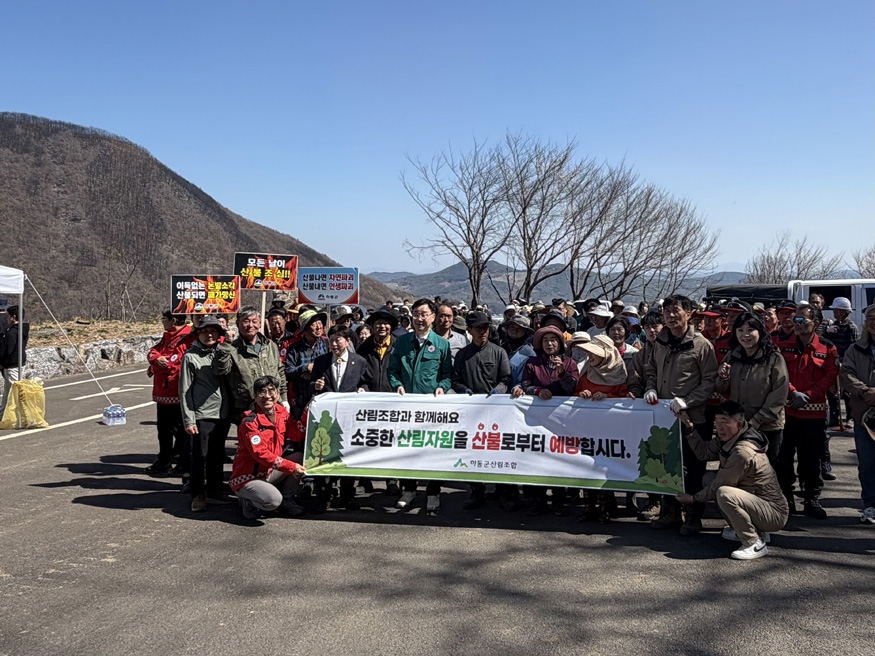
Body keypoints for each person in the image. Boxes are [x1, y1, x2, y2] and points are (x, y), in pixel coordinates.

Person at [644, 294, 718, 535]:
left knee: (694, 468)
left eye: (676, 311)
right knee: (666, 466)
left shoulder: (701, 344)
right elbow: (651, 368)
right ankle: (670, 512)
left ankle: (693, 515)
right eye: (667, 311)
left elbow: (710, 380)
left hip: (692, 418)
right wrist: (651, 387)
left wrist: (688, 401)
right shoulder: (660, 342)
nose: (671, 316)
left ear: (690, 313)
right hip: (663, 418)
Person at [676, 401, 789, 560]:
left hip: (773, 513)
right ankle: (752, 529)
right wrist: (688, 424)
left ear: (739, 423)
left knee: (724, 492)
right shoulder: (731, 437)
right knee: (709, 478)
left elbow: (721, 485)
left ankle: (753, 542)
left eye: (724, 423)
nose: (719, 428)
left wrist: (693, 499)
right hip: (759, 504)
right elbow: (704, 453)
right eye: (717, 423)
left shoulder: (742, 451)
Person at [387, 299, 453, 511]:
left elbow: (447, 374)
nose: (420, 319)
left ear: (433, 318)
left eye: (424, 314)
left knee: (432, 450)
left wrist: (442, 386)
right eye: (416, 314)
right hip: (406, 408)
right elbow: (393, 370)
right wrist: (397, 385)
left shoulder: (442, 344)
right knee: (406, 449)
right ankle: (409, 489)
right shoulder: (402, 342)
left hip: (431, 408)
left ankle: (433, 492)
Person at [776, 304, 839, 519]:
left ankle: (812, 498)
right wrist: (792, 392)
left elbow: (830, 376)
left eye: (802, 321)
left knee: (812, 458)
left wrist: (810, 394)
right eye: (795, 320)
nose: (797, 324)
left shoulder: (827, 347)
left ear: (816, 324)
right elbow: (778, 372)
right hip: (787, 412)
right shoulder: (782, 344)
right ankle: (786, 498)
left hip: (814, 414)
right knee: (783, 457)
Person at [512, 325, 580, 516]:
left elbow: (571, 389)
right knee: (534, 458)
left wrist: (561, 373)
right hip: (535, 418)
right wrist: (538, 391)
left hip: (561, 421)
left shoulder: (569, 363)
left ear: (560, 343)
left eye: (553, 340)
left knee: (558, 459)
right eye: (545, 340)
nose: (549, 344)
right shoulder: (533, 363)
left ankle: (559, 500)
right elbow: (525, 385)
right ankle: (536, 500)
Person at [451, 311, 514, 511]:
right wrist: (464, 390)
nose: (482, 332)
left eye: (485, 327)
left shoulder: (499, 352)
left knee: (500, 452)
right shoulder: (462, 355)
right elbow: (456, 380)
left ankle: (503, 492)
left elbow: (506, 378)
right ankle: (476, 492)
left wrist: (499, 391)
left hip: (497, 412)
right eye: (478, 328)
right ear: (469, 331)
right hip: (471, 412)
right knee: (472, 452)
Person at [715, 312, 789, 467]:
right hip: (737, 425)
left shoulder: (773, 357)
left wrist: (758, 419)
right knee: (737, 469)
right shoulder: (732, 355)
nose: (745, 335)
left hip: (767, 426)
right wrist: (724, 377)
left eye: (750, 330)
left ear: (760, 332)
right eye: (740, 330)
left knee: (766, 470)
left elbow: (780, 392)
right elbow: (721, 389)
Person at [230, 376, 306, 519]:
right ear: (255, 396)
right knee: (273, 501)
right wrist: (290, 467)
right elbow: (261, 454)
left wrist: (307, 414)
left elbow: (296, 434)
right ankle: (248, 501)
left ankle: (287, 498)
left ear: (278, 394)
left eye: (271, 391)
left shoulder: (281, 412)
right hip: (248, 477)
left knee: (300, 458)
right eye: (262, 392)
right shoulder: (249, 422)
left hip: (269, 471)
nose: (267, 396)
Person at [310, 325, 369, 510]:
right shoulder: (321, 361)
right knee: (323, 454)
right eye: (332, 340)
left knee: (348, 456)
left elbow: (366, 382)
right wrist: (316, 385)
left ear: (348, 341)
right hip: (326, 416)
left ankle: (347, 496)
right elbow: (311, 383)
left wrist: (363, 390)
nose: (334, 344)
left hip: (349, 417)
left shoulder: (358, 361)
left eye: (339, 339)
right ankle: (322, 497)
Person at [574, 334, 630, 523]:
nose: (590, 357)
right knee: (586, 466)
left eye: (594, 353)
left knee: (606, 468)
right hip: (587, 427)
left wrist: (607, 399)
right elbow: (575, 394)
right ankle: (588, 506)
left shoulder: (619, 373)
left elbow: (626, 400)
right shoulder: (587, 371)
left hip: (611, 429)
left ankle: (605, 508)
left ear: (606, 354)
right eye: (588, 353)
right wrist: (582, 394)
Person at [179, 315, 232, 512]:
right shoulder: (190, 357)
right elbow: (184, 391)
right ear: (198, 333)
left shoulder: (223, 352)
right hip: (202, 415)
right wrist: (189, 419)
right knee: (199, 457)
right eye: (204, 331)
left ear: (219, 334)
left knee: (217, 455)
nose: (209, 334)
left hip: (222, 414)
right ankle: (198, 494)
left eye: (213, 331)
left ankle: (215, 490)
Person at [214, 306, 288, 425]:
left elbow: (280, 372)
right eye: (246, 321)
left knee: (276, 441)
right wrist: (226, 344)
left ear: (260, 324)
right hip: (246, 407)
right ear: (238, 324)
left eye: (254, 321)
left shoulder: (270, 346)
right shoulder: (232, 348)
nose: (250, 325)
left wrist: (284, 399)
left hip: (273, 404)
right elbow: (220, 370)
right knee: (250, 441)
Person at [145, 309, 196, 477]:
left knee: (181, 431)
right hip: (163, 394)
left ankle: (182, 462)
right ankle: (164, 460)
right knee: (163, 431)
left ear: (173, 320)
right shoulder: (168, 336)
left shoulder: (188, 338)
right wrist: (155, 359)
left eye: (164, 319)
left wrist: (156, 365)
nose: (162, 322)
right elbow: (154, 351)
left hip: (178, 393)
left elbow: (174, 365)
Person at [627, 309, 666, 521]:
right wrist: (634, 392)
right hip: (647, 412)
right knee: (650, 457)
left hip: (672, 411)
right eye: (648, 327)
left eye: (656, 326)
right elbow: (634, 379)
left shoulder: (673, 349)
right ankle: (654, 500)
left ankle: (676, 505)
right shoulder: (640, 354)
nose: (652, 331)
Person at [840, 303, 875, 525]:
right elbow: (846, 373)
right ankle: (870, 505)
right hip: (865, 416)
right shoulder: (855, 349)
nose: (874, 322)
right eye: (870, 318)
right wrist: (864, 391)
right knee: (867, 463)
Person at [284, 309, 329, 421]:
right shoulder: (294, 348)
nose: (318, 327)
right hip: (302, 397)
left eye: (320, 323)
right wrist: (305, 368)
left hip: (323, 396)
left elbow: (332, 366)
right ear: (305, 328)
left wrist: (313, 372)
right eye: (314, 324)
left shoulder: (327, 344)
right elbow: (288, 371)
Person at [0, 305, 29, 418]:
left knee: (15, 390)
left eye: (9, 317)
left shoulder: (12, 333)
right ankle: (3, 413)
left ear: (14, 317)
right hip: (20, 362)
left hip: (11, 364)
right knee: (8, 391)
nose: (8, 319)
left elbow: (8, 350)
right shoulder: (23, 330)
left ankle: (24, 414)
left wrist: (2, 362)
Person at [501, 314, 536, 386]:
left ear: (525, 332)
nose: (514, 331)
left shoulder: (529, 353)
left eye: (519, 329)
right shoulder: (501, 349)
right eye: (512, 327)